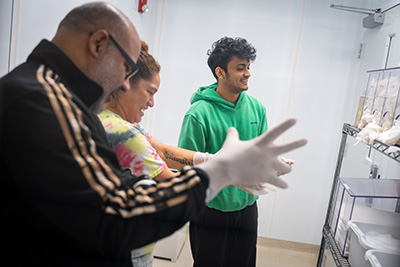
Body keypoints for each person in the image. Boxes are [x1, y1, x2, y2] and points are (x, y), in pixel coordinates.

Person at [0, 2, 306, 266]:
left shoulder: (63, 100)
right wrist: (218, 173)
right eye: (125, 68)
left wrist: (218, 165)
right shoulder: (46, 102)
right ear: (98, 44)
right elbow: (119, 212)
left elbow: (148, 154)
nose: (123, 85)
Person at [98, 41, 212, 266]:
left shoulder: (111, 119)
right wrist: (231, 173)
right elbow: (176, 186)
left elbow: (162, 150)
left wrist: (207, 159)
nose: (152, 103)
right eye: (150, 92)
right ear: (126, 83)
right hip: (130, 250)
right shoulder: (122, 133)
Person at [178, 36, 288, 266]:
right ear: (220, 72)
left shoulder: (257, 108)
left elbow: (262, 154)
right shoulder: (198, 114)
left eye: (248, 67)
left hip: (247, 208)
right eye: (240, 68)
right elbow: (185, 164)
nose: (248, 73)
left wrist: (271, 164)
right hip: (210, 210)